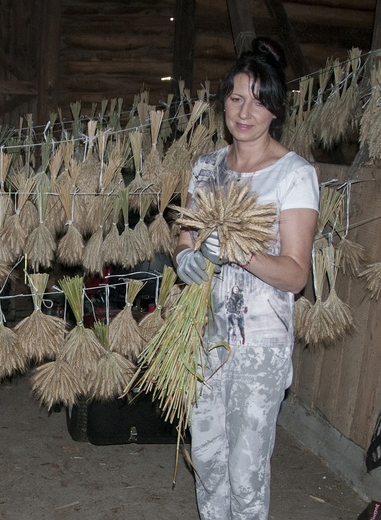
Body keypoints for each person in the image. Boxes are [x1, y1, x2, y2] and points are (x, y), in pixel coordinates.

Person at [173, 38, 319, 519]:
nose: (245, 111)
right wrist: (185, 258)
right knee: (210, 467)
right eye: (236, 98)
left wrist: (241, 251)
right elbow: (185, 232)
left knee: (246, 474)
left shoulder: (294, 176)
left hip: (259, 350)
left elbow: (295, 274)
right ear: (224, 104)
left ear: (275, 108)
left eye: (258, 100)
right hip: (204, 342)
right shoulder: (207, 168)